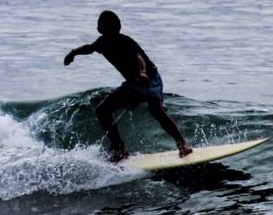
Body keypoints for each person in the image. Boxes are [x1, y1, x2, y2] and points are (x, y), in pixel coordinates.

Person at [64, 10, 193, 163]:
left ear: (118, 28)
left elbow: (138, 57)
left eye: (113, 28)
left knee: (155, 109)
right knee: (102, 110)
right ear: (100, 30)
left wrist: (143, 73)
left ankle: (182, 144)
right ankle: (119, 149)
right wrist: (73, 53)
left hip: (150, 78)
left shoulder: (125, 41)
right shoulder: (102, 42)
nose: (111, 31)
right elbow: (90, 48)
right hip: (133, 83)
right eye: (107, 28)